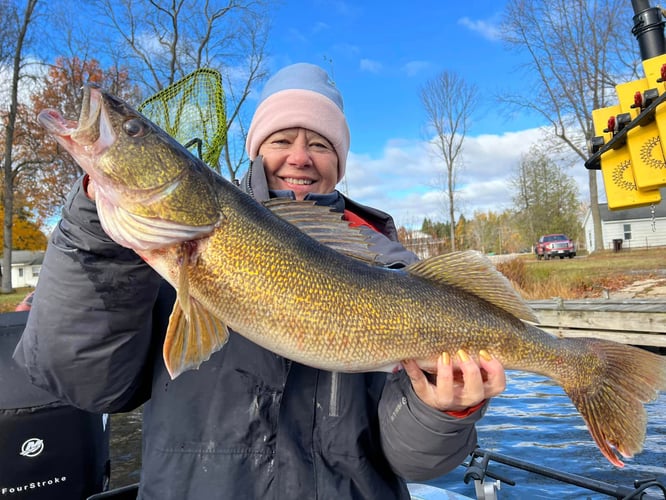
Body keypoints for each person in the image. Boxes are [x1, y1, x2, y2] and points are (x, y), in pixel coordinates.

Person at [14, 63, 506, 499]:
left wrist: (445, 412)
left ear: (339, 161)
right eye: (280, 140)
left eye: (319, 143)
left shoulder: (393, 268)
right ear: (254, 151)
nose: (299, 157)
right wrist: (92, 224)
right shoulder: (145, 256)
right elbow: (84, 384)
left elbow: (418, 464)